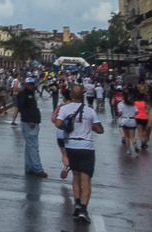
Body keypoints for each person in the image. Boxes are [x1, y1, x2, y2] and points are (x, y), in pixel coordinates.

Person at [56, 84, 104, 224]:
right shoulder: (90, 111)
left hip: (71, 146)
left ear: (71, 95)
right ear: (82, 96)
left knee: (75, 176)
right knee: (86, 178)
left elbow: (58, 124)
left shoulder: (64, 108)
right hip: (86, 147)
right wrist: (92, 126)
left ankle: (77, 204)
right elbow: (100, 130)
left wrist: (68, 124)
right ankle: (84, 209)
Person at [15, 77, 47, 177]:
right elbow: (22, 109)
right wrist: (30, 120)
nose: (32, 86)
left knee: (30, 146)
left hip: (33, 122)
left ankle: (29, 167)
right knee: (33, 146)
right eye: (30, 84)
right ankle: (37, 168)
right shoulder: (23, 95)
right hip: (29, 123)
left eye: (33, 84)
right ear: (26, 84)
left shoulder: (31, 94)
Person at [50, 102, 69, 178]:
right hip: (73, 134)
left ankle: (66, 166)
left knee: (64, 154)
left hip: (61, 133)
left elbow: (53, 119)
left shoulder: (60, 106)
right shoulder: (77, 106)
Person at [117, 88, 139, 155]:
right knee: (132, 136)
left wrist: (118, 116)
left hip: (125, 120)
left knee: (126, 136)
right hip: (132, 120)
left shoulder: (120, 104)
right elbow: (137, 112)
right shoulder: (132, 104)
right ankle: (134, 143)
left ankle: (128, 149)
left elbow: (120, 113)